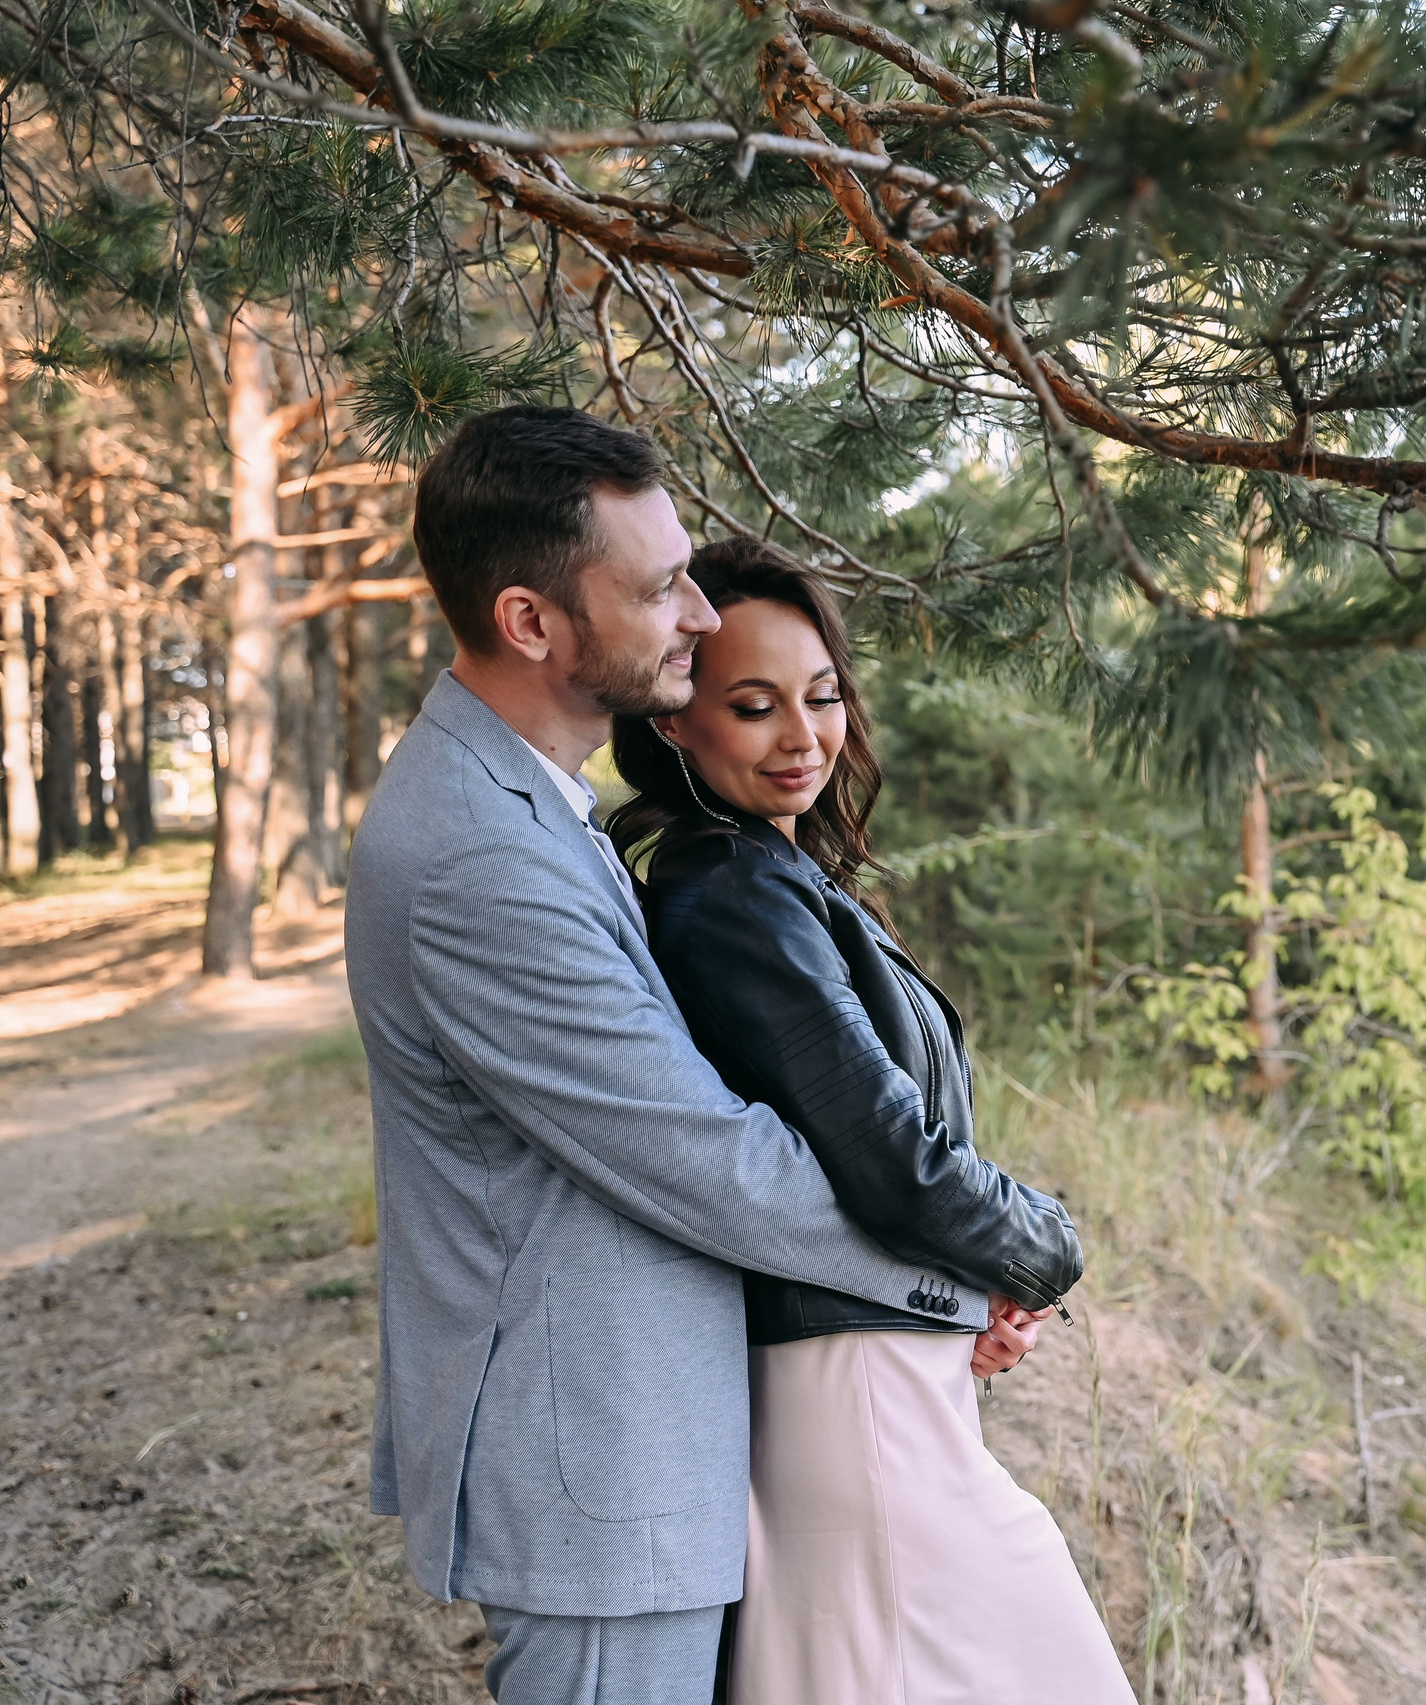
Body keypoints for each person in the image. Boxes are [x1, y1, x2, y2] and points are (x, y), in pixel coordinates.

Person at [345, 406, 1049, 1705]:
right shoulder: (478, 858)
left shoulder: (535, 806)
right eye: (663, 585)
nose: (700, 617)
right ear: (533, 622)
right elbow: (708, 1159)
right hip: (599, 1465)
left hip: (653, 1440)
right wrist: (962, 1274)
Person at [610, 537, 1134, 1704]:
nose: (803, 736)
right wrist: (1044, 1252)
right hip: (849, 1397)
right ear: (676, 722)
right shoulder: (736, 893)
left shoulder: (787, 878)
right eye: (754, 706)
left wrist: (975, 1295)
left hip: (887, 1372)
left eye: (823, 695)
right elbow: (889, 1158)